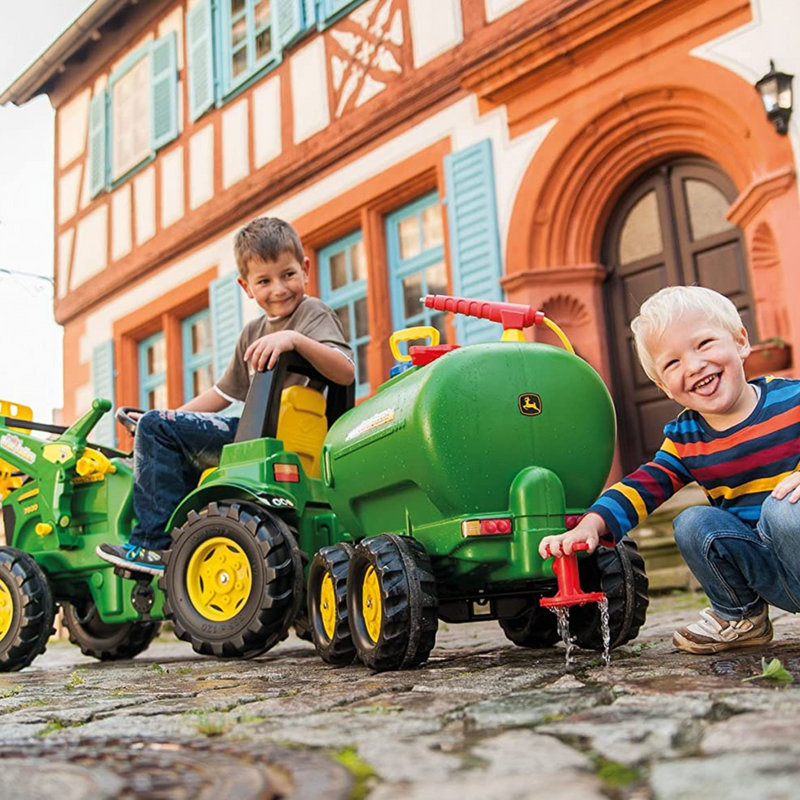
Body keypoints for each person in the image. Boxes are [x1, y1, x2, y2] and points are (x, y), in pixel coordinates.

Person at [539, 285, 800, 654]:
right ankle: (741, 616)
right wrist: (589, 525)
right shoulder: (685, 438)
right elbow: (641, 487)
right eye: (672, 363)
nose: (693, 366)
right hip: (767, 569)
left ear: (741, 342)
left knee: (784, 509)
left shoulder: (792, 400)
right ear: (664, 386)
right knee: (692, 521)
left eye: (705, 343)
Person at [96, 217, 355, 575]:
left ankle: (153, 545)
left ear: (306, 269)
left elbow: (345, 370)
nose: (279, 289)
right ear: (246, 287)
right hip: (254, 431)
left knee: (159, 429)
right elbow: (221, 393)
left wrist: (294, 341)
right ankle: (188, 536)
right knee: (159, 428)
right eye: (264, 281)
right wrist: (166, 417)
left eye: (288, 275)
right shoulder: (252, 332)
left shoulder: (313, 314)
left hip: (271, 436)